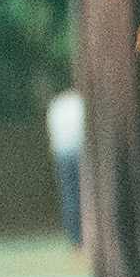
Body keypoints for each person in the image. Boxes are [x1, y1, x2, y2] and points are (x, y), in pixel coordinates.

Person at [48, 76, 89, 249]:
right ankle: (85, 236)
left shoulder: (55, 104)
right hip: (79, 153)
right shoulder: (80, 102)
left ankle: (75, 239)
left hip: (62, 154)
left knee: (69, 196)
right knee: (83, 196)